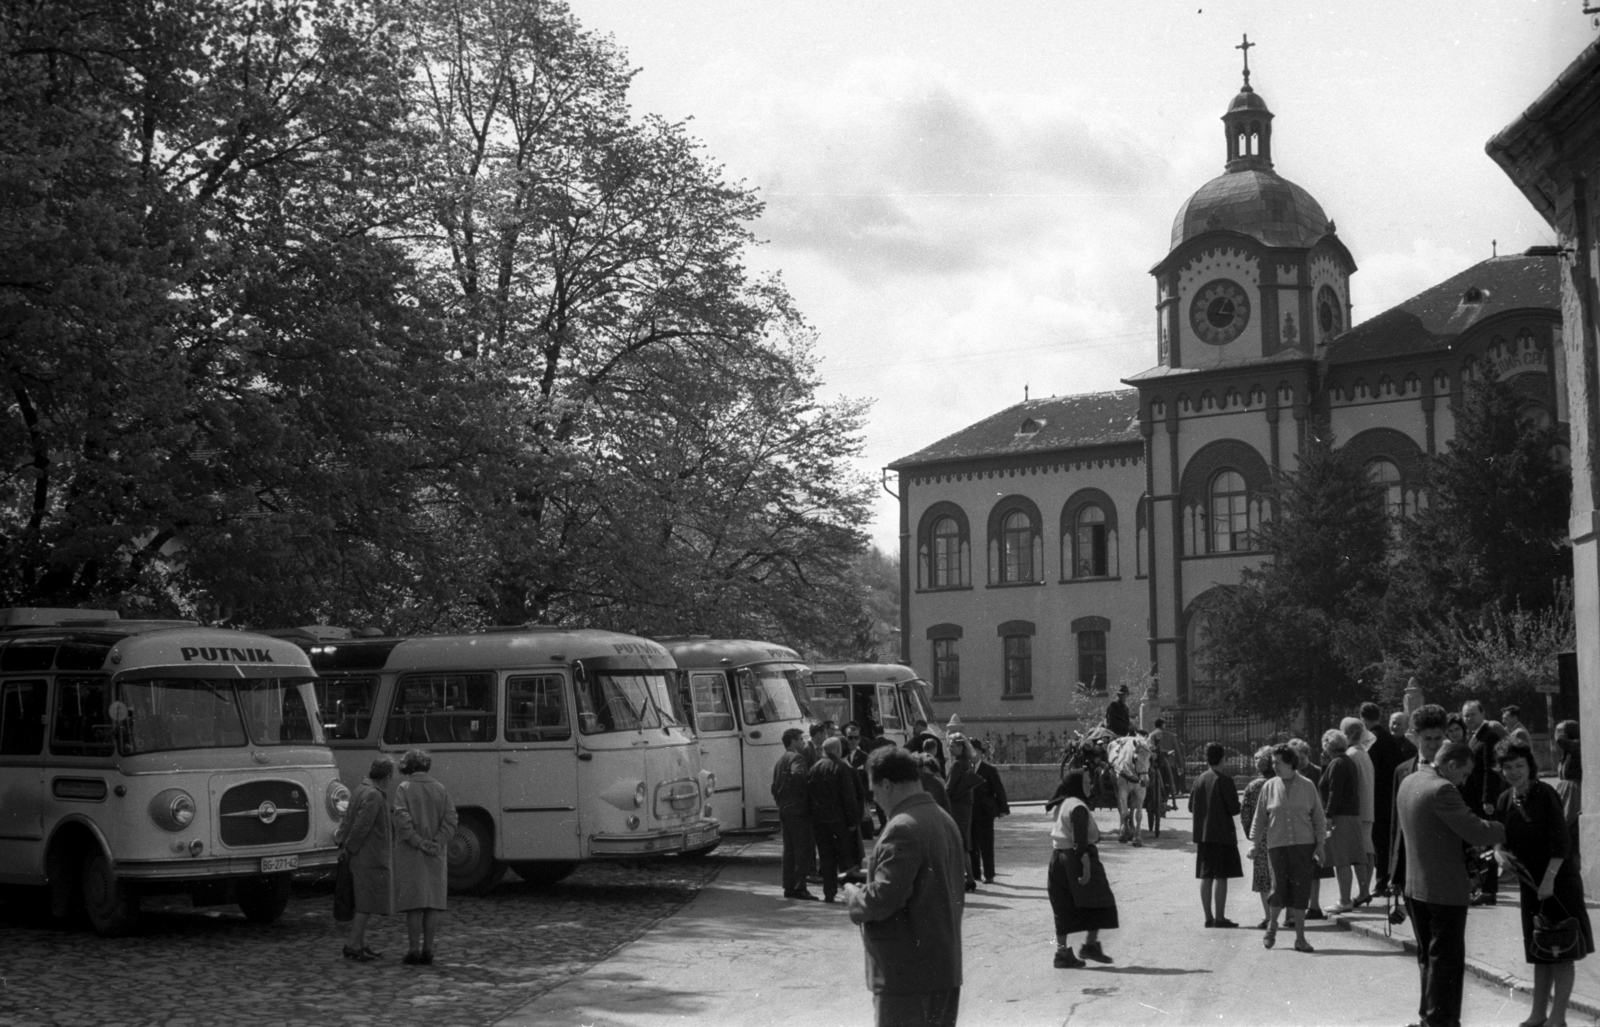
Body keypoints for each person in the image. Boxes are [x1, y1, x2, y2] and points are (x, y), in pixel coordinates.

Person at [844, 747, 966, 1027]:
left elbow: (885, 898)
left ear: (887, 785)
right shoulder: (943, 819)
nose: (875, 801)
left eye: (874, 792)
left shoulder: (902, 827)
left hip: (906, 977)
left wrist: (854, 896)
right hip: (942, 971)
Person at [1396, 740, 1506, 1027]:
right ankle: (1440, 1021)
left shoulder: (1410, 781)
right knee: (1446, 961)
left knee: (1428, 957)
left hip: (1416, 887)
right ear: (1450, 765)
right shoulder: (1443, 789)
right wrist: (1506, 827)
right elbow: (1476, 831)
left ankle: (1427, 1016)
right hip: (1443, 890)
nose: (1464, 780)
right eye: (1464, 773)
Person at [1494, 736, 1594, 1027]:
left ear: (1530, 766)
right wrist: (1499, 853)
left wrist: (1549, 881)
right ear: (1500, 770)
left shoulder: (1545, 794)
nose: (1514, 771)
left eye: (1519, 765)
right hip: (1530, 885)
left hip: (1558, 881)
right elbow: (1500, 839)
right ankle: (1538, 1014)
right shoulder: (1505, 799)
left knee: (1562, 950)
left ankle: (1558, 1018)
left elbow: (1561, 844)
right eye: (1508, 767)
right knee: (1540, 950)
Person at [1246, 744, 1326, 953]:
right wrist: (1254, 843)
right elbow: (1260, 818)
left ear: (1291, 763)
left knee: (1300, 891)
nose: (1274, 766)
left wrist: (1320, 846)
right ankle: (1272, 927)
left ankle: (1300, 939)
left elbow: (1318, 818)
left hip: (1304, 847)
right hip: (1277, 846)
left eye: (1278, 763)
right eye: (1273, 763)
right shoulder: (1269, 787)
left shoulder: (1307, 786)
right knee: (1279, 889)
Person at [391, 749, 458, 966]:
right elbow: (451, 820)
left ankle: (413, 950)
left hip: (412, 852)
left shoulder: (404, 788)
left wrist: (419, 842)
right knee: (432, 904)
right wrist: (437, 842)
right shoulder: (441, 789)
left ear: (407, 767)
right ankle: (428, 949)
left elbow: (401, 819)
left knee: (415, 904)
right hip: (436, 853)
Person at [1047, 770, 1119, 968]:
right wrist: (1086, 869)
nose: (1090, 785)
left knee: (1062, 906)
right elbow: (1080, 843)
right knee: (1100, 899)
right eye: (1086, 782)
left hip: (1058, 859)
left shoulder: (1063, 803)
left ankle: (1061, 953)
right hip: (1077, 858)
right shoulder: (1078, 807)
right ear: (1077, 785)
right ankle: (1089, 946)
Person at [334, 756, 395, 962]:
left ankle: (358, 943)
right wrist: (350, 849)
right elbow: (362, 827)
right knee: (365, 904)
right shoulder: (374, 795)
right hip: (368, 858)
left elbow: (347, 822)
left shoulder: (360, 789)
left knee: (364, 903)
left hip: (360, 856)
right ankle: (352, 945)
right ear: (387, 776)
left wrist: (344, 846)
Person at [1389, 704, 1449, 897]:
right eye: (1427, 739)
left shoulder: (1456, 768)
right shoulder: (1402, 771)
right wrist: (1395, 873)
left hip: (1445, 867)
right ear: (1416, 736)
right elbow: (1397, 825)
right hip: (1411, 872)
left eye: (1438, 738)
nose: (1433, 745)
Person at [1189, 741, 1242, 928]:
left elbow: (1190, 807)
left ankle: (1208, 917)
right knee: (1221, 876)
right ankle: (1220, 917)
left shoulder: (1199, 779)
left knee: (1206, 876)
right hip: (1222, 834)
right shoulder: (1225, 780)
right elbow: (1234, 809)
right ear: (1222, 759)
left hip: (1203, 835)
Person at [806, 736, 862, 903]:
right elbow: (848, 797)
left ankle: (829, 893)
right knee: (844, 858)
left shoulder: (814, 768)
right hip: (839, 821)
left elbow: (809, 796)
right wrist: (853, 821)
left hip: (820, 822)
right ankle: (848, 893)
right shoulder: (841, 767)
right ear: (837, 750)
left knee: (826, 857)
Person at [1462, 700, 1507, 905]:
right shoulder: (1474, 737)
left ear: (1482, 714)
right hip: (1474, 799)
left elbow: (1491, 770)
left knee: (1488, 845)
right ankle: (1483, 887)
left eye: (1472, 714)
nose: (1468, 719)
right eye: (1465, 715)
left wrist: (1488, 799)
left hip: (1484, 801)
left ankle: (1489, 891)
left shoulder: (1488, 736)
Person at [1318, 729, 1366, 914]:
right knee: (1355, 857)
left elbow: (1333, 791)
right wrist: (1324, 766)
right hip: (1351, 815)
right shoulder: (1346, 761)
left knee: (1342, 861)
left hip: (1341, 816)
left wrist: (1328, 816)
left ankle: (1344, 900)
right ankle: (1360, 893)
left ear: (1327, 746)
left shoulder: (1337, 763)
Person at [1362, 701, 1404, 896]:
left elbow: (1372, 771)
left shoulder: (1372, 740)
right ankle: (1391, 880)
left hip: (1378, 796)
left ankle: (1381, 882)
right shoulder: (1389, 738)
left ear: (1364, 719)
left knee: (1379, 842)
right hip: (1392, 794)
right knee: (1389, 839)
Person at [773, 726, 818, 900]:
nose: (803, 742)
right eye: (800, 739)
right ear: (792, 741)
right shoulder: (797, 758)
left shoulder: (780, 760)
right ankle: (800, 887)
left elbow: (774, 786)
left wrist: (781, 799)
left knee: (789, 850)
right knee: (802, 849)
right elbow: (799, 776)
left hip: (784, 808)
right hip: (798, 809)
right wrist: (805, 796)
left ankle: (789, 886)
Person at [1341, 717, 1378, 907]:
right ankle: (1365, 889)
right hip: (1368, 807)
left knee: (1359, 852)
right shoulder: (1363, 753)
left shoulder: (1352, 754)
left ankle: (1364, 891)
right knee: (1367, 849)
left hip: (1356, 809)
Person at [1238, 746, 1276, 929]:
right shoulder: (1281, 783)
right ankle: (1291, 915)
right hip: (1280, 834)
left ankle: (1269, 916)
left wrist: (1250, 835)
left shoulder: (1253, 786)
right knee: (1283, 875)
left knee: (1263, 879)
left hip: (1260, 837)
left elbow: (1244, 813)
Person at [944, 735, 981, 893]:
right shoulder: (967, 763)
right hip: (965, 806)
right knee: (963, 843)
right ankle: (969, 878)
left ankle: (963, 878)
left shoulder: (957, 764)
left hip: (957, 807)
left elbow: (949, 787)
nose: (949, 748)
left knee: (957, 842)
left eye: (952, 746)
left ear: (961, 748)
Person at [968, 740, 1009, 884]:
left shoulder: (989, 770)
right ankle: (975, 873)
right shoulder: (966, 769)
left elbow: (999, 789)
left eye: (972, 750)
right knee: (971, 845)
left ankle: (989, 874)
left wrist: (1003, 809)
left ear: (980, 752)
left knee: (986, 844)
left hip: (984, 812)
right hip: (970, 813)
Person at [1555, 719, 1582, 864]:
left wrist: (1560, 733)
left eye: (1561, 731)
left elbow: (1561, 741)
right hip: (1565, 790)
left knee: (1571, 826)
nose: (1557, 734)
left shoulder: (1577, 744)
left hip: (1573, 791)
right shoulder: (1568, 749)